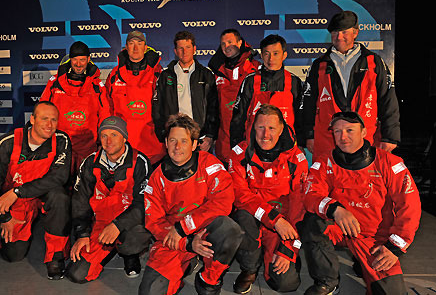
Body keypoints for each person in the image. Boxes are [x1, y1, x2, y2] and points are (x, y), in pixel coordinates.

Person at [298, 111, 421, 294]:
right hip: (339, 228)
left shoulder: (390, 163)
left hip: (374, 238)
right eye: (337, 131)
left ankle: (363, 263)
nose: (343, 136)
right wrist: (335, 209)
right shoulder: (325, 162)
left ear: (364, 132)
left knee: (391, 292)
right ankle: (327, 281)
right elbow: (310, 194)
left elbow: (410, 206)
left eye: (349, 130)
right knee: (312, 222)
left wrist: (394, 248)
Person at [139, 114, 243, 295]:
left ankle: (209, 279)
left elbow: (223, 202)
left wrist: (184, 226)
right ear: (165, 142)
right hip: (175, 239)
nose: (177, 147)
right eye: (172, 140)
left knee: (230, 230)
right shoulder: (156, 178)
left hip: (202, 230)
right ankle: (187, 261)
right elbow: (153, 222)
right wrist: (186, 243)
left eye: (184, 141)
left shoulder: (209, 164)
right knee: (150, 292)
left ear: (194, 144)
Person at [0, 101, 72, 280]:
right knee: (13, 256)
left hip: (39, 194)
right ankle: (12, 235)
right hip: (15, 202)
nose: (49, 124)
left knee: (60, 197)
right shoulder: (6, 143)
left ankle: (56, 257)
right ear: (32, 119)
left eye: (54, 119)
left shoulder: (61, 140)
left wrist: (17, 191)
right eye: (44, 119)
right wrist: (3, 217)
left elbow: (59, 177)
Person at [229, 104, 308, 293]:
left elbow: (300, 210)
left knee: (286, 284)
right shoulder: (239, 154)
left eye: (271, 128)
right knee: (240, 216)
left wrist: (289, 249)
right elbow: (241, 196)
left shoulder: (297, 159)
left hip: (284, 227)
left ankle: (275, 254)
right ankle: (249, 268)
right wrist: (274, 219)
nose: (265, 134)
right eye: (261, 127)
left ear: (281, 129)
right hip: (254, 220)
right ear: (252, 127)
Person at [302, 11, 400, 160]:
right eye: (335, 32)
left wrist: (390, 137)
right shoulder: (319, 65)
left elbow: (388, 100)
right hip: (328, 140)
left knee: (364, 181)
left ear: (355, 32)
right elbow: (308, 102)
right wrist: (308, 135)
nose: (339, 37)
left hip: (366, 138)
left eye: (344, 32)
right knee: (326, 182)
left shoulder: (374, 62)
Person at [65, 116, 152, 283]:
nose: (108, 140)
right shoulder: (90, 162)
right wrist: (83, 234)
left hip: (129, 224)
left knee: (134, 238)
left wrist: (118, 225)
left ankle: (130, 255)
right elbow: (79, 202)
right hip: (100, 226)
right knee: (76, 274)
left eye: (114, 134)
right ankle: (108, 250)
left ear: (124, 138)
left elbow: (144, 204)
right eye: (104, 135)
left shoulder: (140, 162)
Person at [40, 41, 110, 174]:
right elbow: (42, 111)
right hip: (59, 147)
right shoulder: (55, 83)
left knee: (84, 189)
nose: (78, 64)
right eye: (75, 60)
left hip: (88, 149)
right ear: (70, 59)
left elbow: (104, 115)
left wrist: (104, 141)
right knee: (59, 189)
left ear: (88, 59)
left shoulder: (97, 87)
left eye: (82, 60)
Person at [230, 34, 304, 148]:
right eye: (266, 54)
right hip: (255, 148)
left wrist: (300, 145)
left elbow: (300, 117)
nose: (271, 59)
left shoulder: (294, 82)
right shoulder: (250, 81)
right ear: (261, 55)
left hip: (286, 149)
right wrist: (237, 145)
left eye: (275, 53)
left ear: (284, 55)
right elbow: (239, 117)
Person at [153, 31, 219, 152]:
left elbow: (213, 108)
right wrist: (164, 135)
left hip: (200, 139)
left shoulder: (206, 75)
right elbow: (157, 108)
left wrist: (210, 136)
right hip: (175, 138)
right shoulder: (166, 75)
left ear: (194, 49)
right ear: (175, 51)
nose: (184, 52)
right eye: (180, 48)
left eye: (188, 47)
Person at [106, 30, 165, 165]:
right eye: (131, 43)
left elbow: (167, 107)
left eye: (139, 43)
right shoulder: (114, 75)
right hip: (123, 149)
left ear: (145, 48)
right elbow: (107, 107)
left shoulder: (158, 73)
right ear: (126, 48)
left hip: (154, 150)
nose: (135, 48)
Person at [208, 28, 260, 165]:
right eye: (223, 44)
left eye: (230, 42)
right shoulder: (216, 72)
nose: (226, 46)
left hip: (251, 141)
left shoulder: (256, 69)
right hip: (224, 144)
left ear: (240, 42)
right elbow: (212, 108)